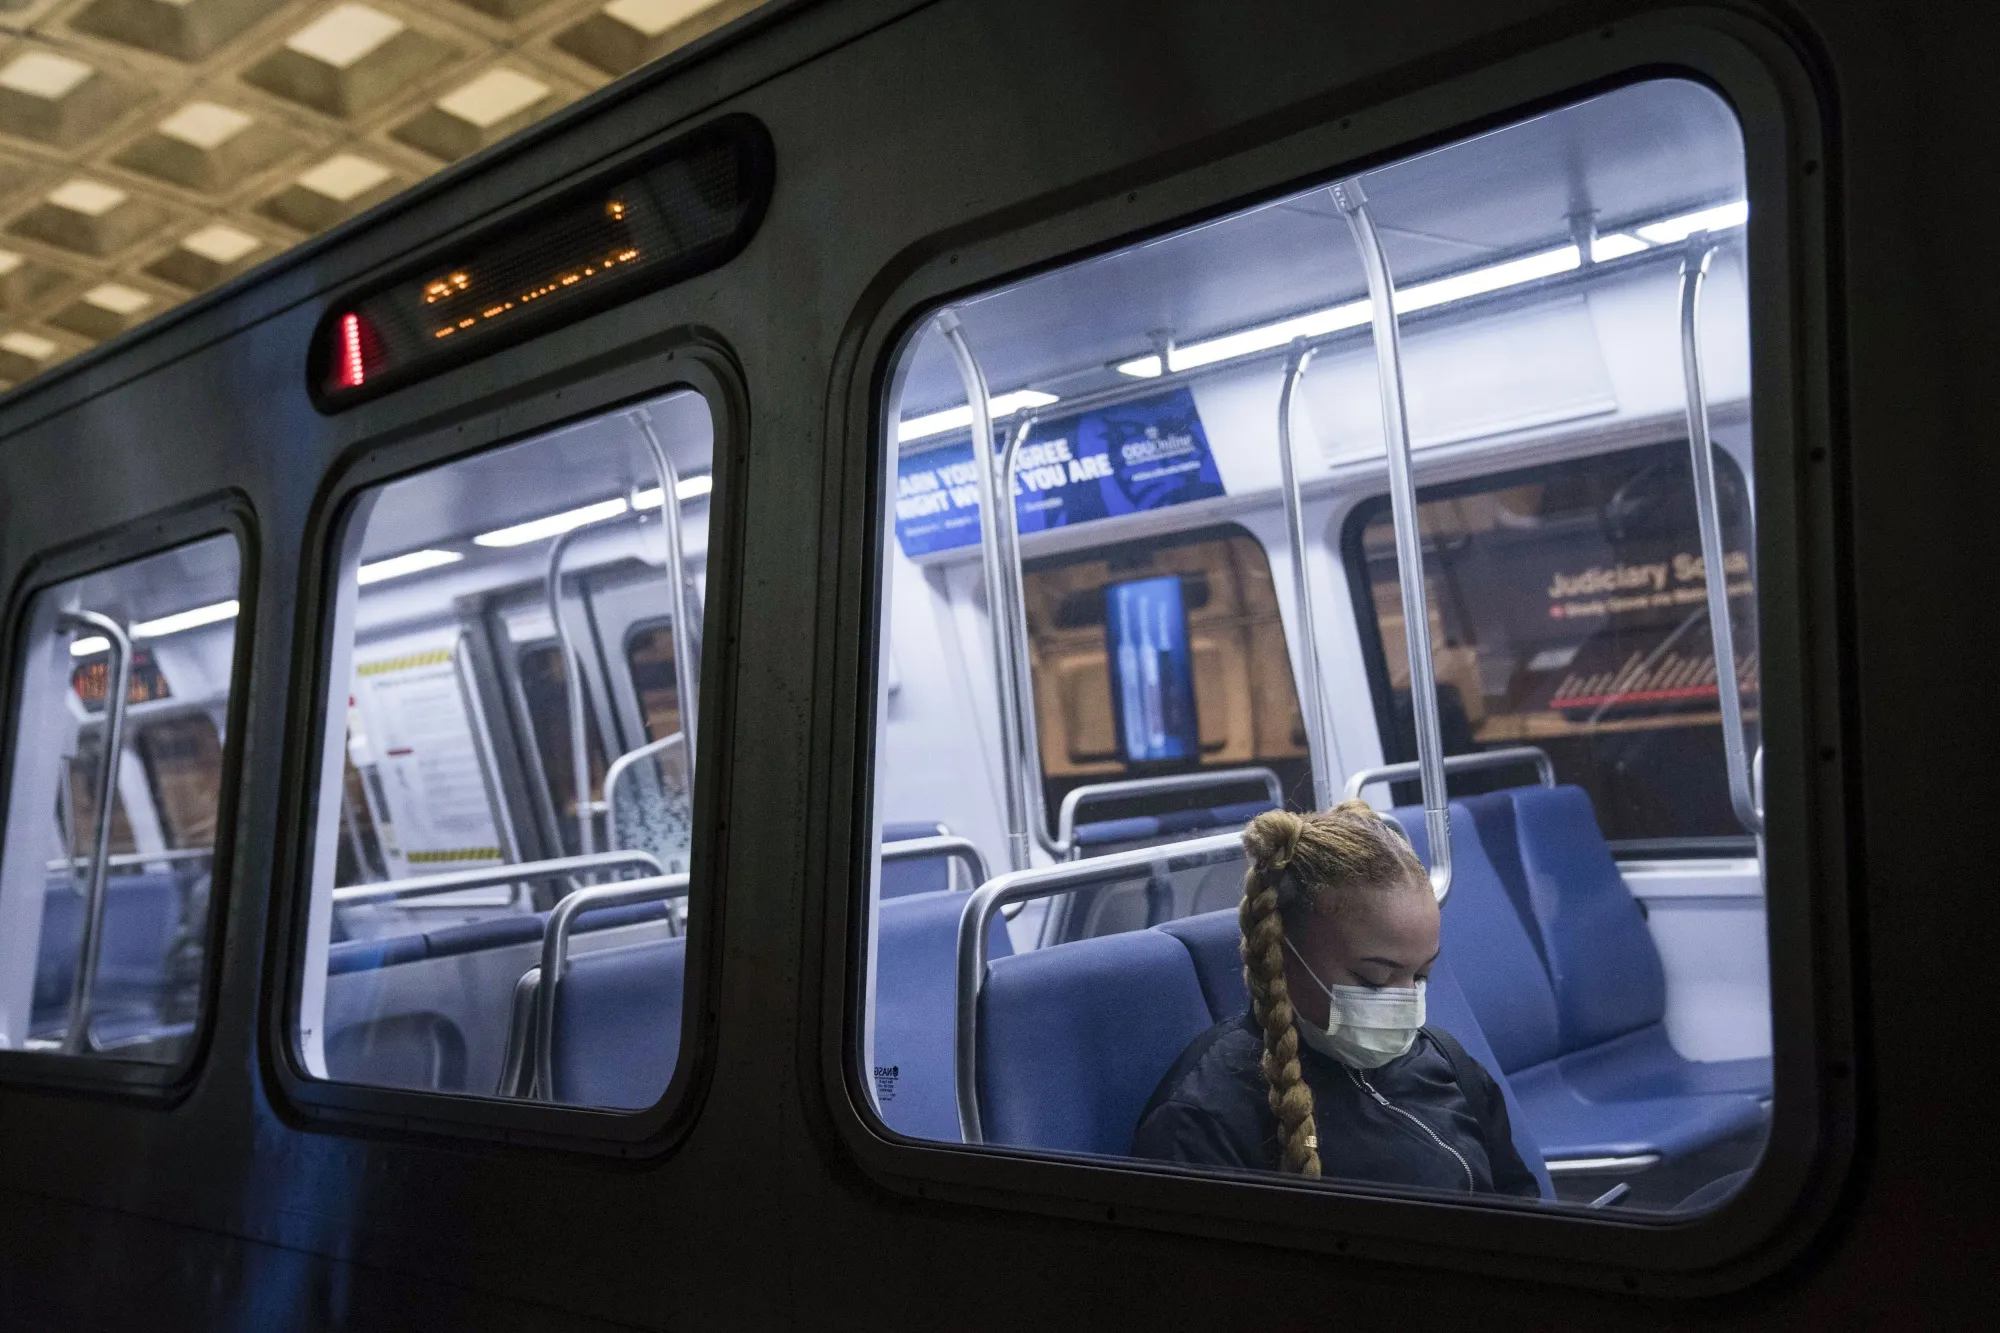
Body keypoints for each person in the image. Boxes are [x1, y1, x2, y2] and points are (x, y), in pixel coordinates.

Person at [1132, 801, 1539, 1197]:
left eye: (1421, 976)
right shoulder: (1205, 1117)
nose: (1404, 1006)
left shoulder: (1447, 1064)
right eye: (1373, 980)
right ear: (1284, 956)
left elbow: (1519, 1206)